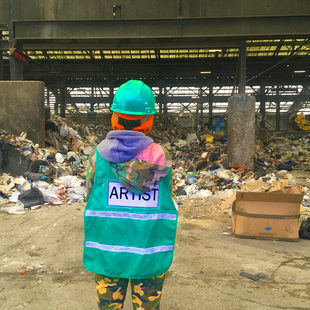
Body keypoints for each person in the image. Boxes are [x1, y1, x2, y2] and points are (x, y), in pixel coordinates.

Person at [83, 80, 178, 310]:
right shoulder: (162, 158)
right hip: (148, 256)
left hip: (109, 255)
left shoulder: (97, 158)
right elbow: (168, 195)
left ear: (114, 116)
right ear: (149, 120)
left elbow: (90, 194)